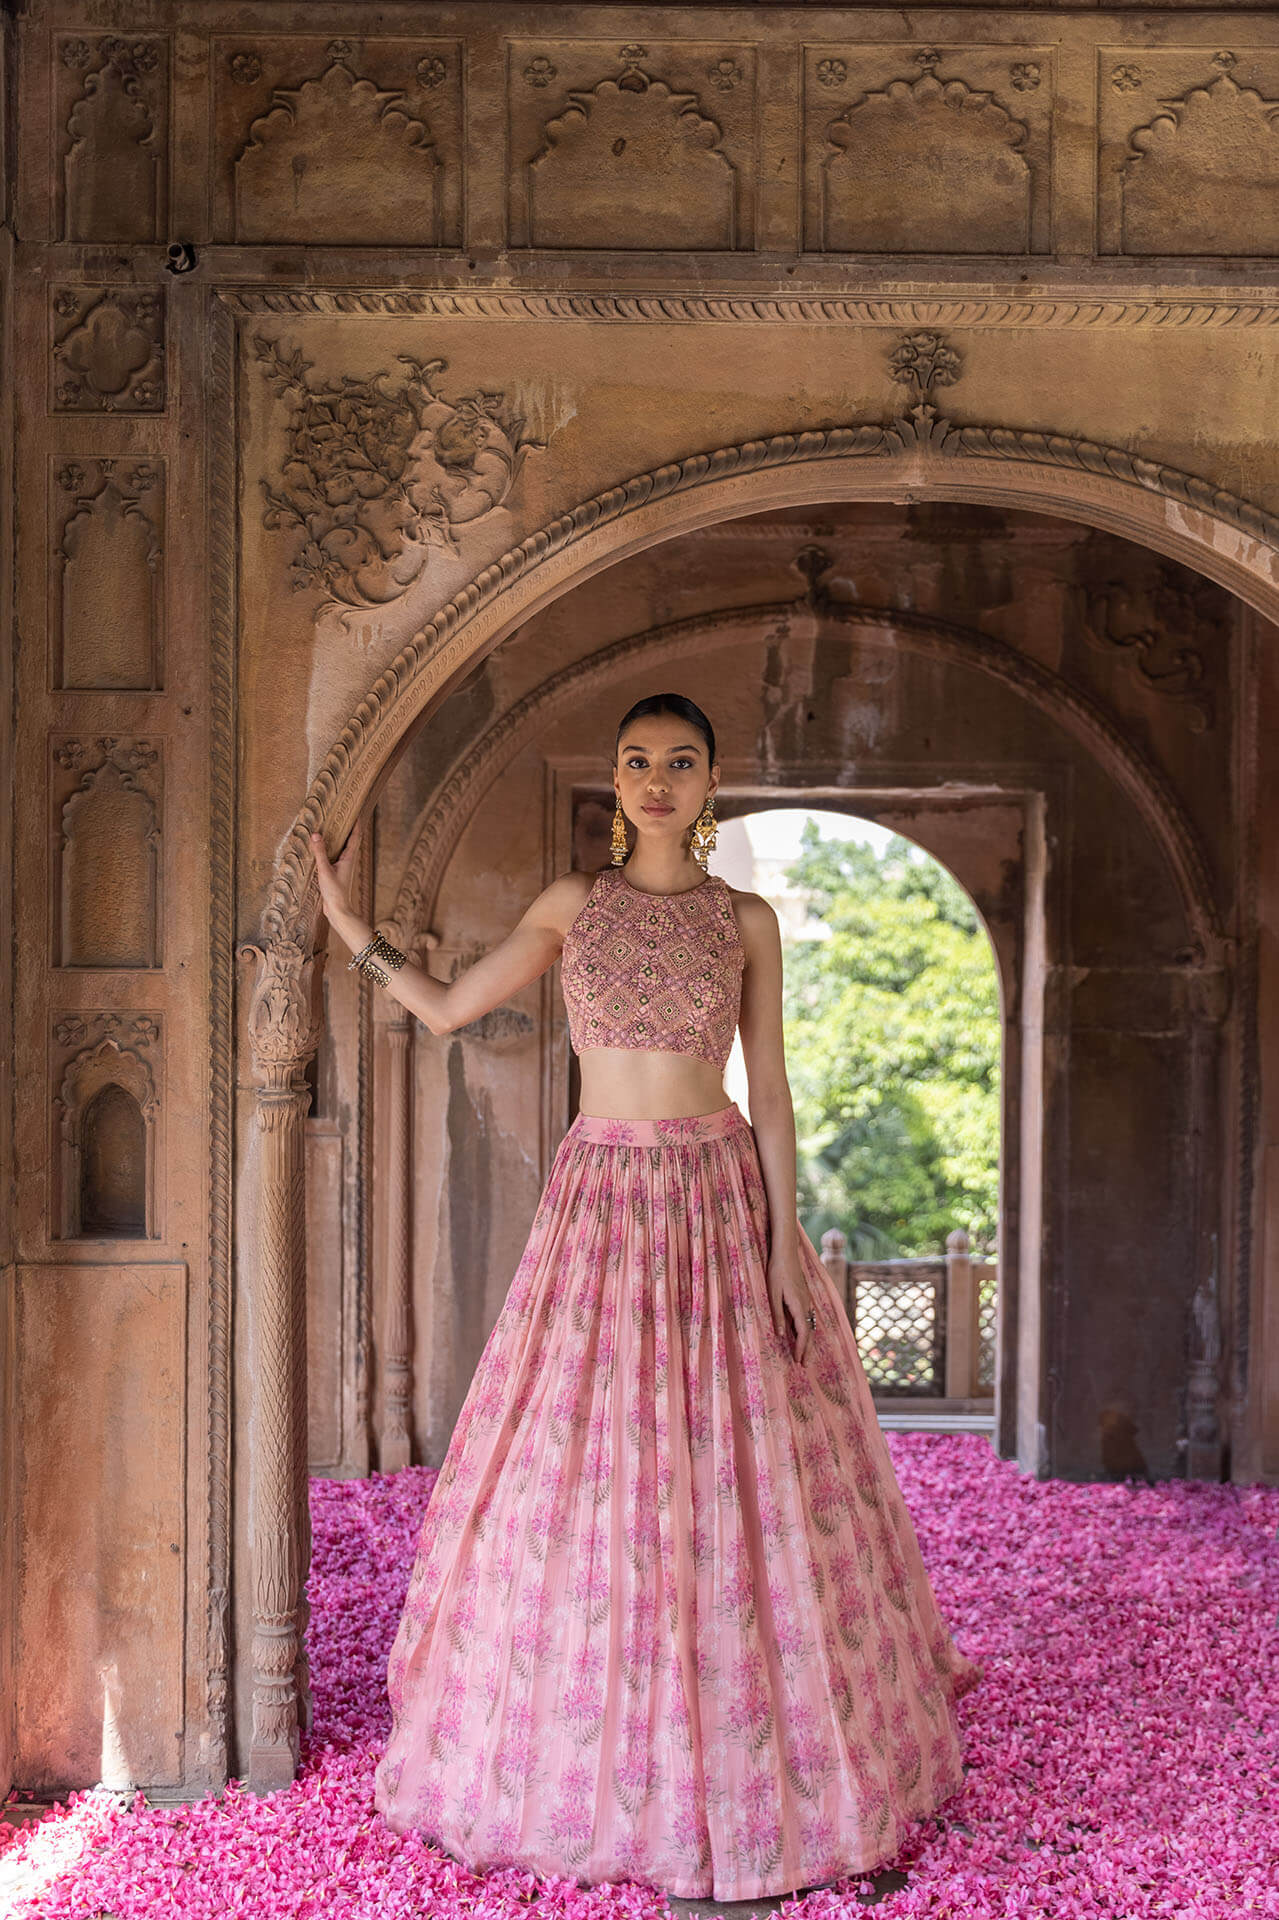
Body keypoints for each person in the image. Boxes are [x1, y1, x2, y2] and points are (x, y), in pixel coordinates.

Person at [309, 692, 981, 1905]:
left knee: (736, 1459)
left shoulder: (747, 919)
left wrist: (782, 1247)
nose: (655, 780)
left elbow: (769, 1093)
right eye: (635, 762)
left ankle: (754, 1735)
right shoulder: (572, 908)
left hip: (718, 1194)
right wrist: (352, 929)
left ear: (712, 776)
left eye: (679, 761)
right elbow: (454, 1009)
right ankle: (599, 1734)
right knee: (599, 1455)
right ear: (615, 783)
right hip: (604, 1201)